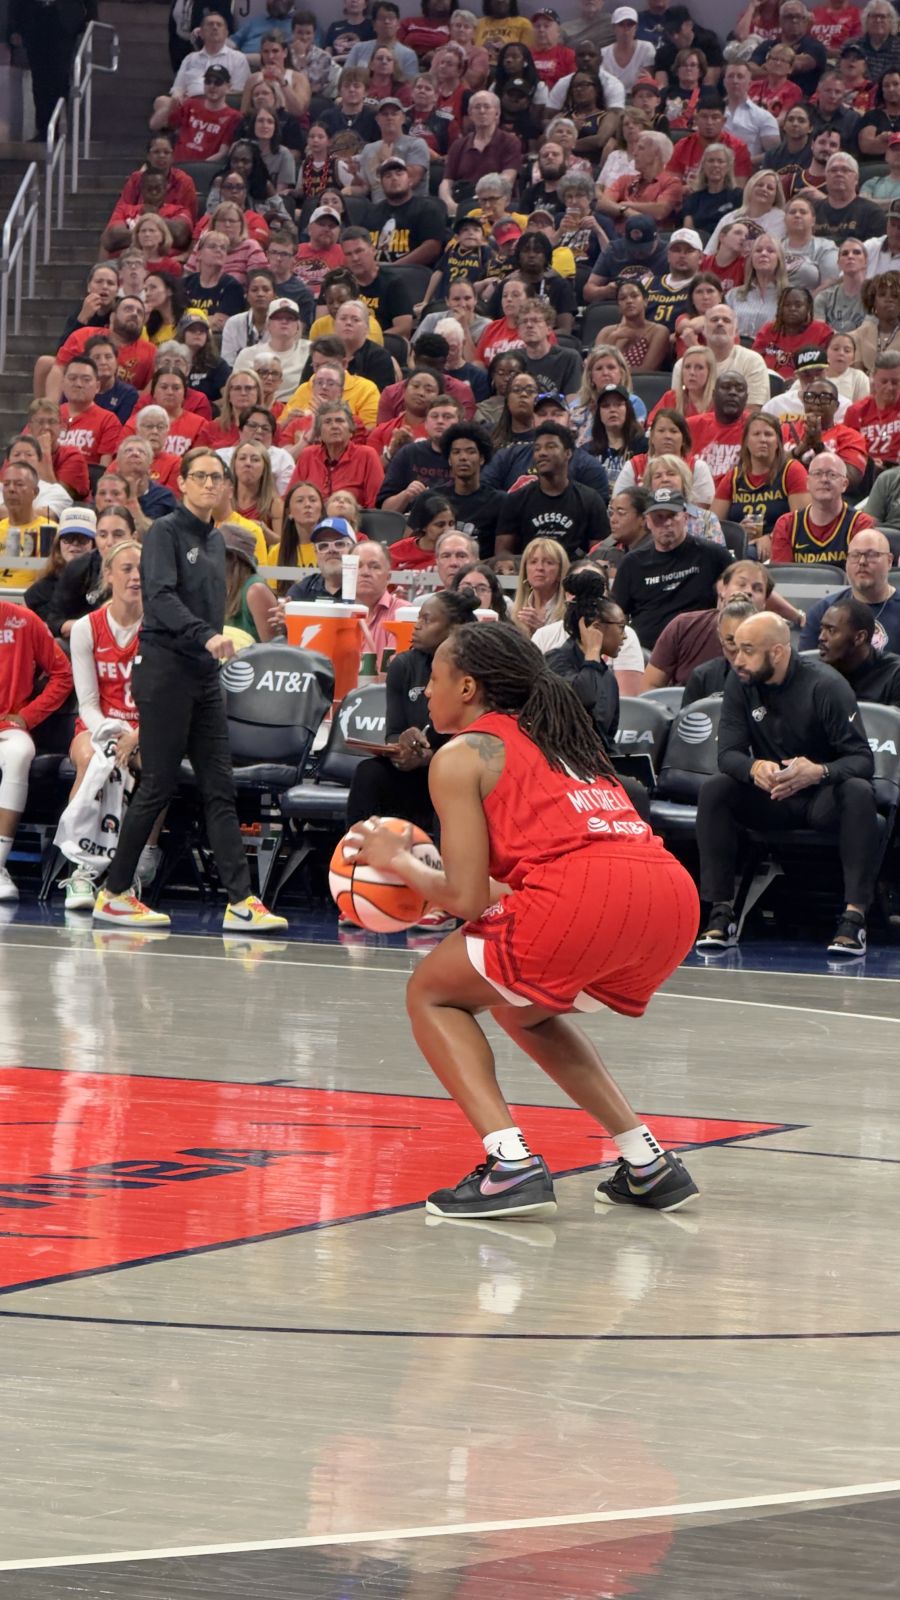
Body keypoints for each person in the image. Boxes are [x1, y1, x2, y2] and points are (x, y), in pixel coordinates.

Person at [349, 617, 701, 1218]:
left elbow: (461, 899)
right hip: (667, 898)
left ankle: (509, 1165)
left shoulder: (464, 755)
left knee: (432, 993)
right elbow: (509, 880)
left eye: (433, 678)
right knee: (522, 1007)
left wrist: (400, 863)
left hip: (585, 895)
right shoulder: (562, 736)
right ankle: (645, 1161)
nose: (425, 692)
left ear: (466, 688)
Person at [92, 449, 286, 933]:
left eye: (216, 479)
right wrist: (205, 634)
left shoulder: (218, 542)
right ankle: (114, 894)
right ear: (181, 483)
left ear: (224, 487)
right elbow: (159, 597)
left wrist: (210, 642)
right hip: (164, 669)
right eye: (199, 477)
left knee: (220, 786)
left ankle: (242, 901)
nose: (208, 485)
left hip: (202, 674)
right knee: (157, 783)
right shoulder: (164, 533)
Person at [694, 613, 880, 958]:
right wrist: (754, 768)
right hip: (773, 796)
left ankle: (854, 918)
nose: (738, 659)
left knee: (858, 791)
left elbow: (862, 761)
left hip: (820, 799)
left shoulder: (826, 685)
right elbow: (728, 755)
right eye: (736, 649)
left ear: (777, 652)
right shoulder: (740, 682)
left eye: (748, 650)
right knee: (717, 788)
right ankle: (721, 912)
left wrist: (819, 771)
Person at [345, 589, 479, 927]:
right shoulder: (404, 664)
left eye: (426, 620)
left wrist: (432, 757)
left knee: (451, 777)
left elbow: (479, 737)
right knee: (368, 774)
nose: (416, 627)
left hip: (457, 771)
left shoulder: (477, 670)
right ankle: (356, 883)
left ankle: (444, 900)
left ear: (455, 629)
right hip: (414, 773)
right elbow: (393, 732)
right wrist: (401, 745)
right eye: (417, 618)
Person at [0, 589, 72, 900]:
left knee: (20, 753)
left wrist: (29, 716)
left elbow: (62, 674)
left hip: (8, 725)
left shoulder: (24, 621)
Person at [613, 486, 732, 650]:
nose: (666, 523)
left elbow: (744, 581)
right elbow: (616, 614)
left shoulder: (712, 554)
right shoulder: (632, 563)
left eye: (672, 516)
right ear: (647, 521)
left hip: (699, 649)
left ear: (685, 516)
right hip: (647, 652)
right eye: (658, 517)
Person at [642, 558, 769, 689]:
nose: (748, 591)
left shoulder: (773, 638)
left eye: (757, 589)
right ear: (723, 589)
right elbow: (650, 685)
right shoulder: (683, 625)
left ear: (765, 602)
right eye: (741, 584)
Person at [495, 424, 611, 559]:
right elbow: (502, 554)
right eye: (537, 449)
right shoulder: (516, 500)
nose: (541, 453)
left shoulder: (590, 500)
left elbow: (599, 555)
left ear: (568, 453)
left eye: (550, 447)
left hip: (574, 576)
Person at [711, 412, 810, 559]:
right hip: (742, 548)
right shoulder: (734, 477)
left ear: (778, 442)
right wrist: (738, 532)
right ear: (745, 442)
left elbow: (802, 521)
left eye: (768, 434)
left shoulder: (792, 471)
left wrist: (771, 537)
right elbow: (713, 526)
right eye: (756, 434)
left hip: (782, 546)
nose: (763, 440)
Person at [439, 91, 523, 217]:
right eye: (477, 107)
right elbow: (446, 182)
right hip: (462, 201)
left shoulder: (510, 142)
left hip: (495, 202)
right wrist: (449, 203)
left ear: (497, 113)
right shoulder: (458, 145)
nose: (482, 111)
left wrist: (481, 200)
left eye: (487, 106)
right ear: (470, 114)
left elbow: (507, 179)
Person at [292, 402, 384, 510]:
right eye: (327, 422)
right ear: (319, 433)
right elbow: (292, 498)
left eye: (340, 421)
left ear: (351, 430)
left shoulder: (367, 455)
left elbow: (376, 505)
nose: (334, 426)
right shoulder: (308, 455)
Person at [439, 423, 507, 556]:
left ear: (481, 458)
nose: (463, 457)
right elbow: (411, 546)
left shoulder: (500, 502)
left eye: (470, 451)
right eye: (456, 452)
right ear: (449, 460)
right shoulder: (432, 498)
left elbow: (502, 556)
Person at [818, 597, 900, 706]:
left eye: (831, 630)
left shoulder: (894, 675)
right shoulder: (815, 673)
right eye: (821, 629)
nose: (821, 637)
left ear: (859, 637)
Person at [682, 596, 759, 704]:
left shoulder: (776, 676)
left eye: (747, 643)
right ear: (720, 636)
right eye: (731, 642)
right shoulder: (703, 677)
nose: (739, 655)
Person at [688, 372, 751, 483]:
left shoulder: (755, 427)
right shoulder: (690, 426)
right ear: (714, 394)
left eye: (739, 389)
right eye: (726, 387)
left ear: (746, 398)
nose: (733, 393)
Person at [845, 351, 900, 469]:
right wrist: (868, 462)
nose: (889, 387)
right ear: (873, 379)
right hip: (867, 472)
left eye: (895, 382)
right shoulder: (856, 411)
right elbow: (850, 451)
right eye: (884, 382)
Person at [604, 280, 672, 374]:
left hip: (642, 386)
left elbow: (646, 370)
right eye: (623, 298)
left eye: (634, 296)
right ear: (618, 307)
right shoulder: (606, 332)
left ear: (645, 301)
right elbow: (597, 367)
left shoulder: (659, 331)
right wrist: (613, 338)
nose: (629, 301)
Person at [852, 272, 900, 376]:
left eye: (895, 296)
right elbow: (857, 375)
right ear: (872, 301)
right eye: (882, 295)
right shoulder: (860, 334)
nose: (889, 299)